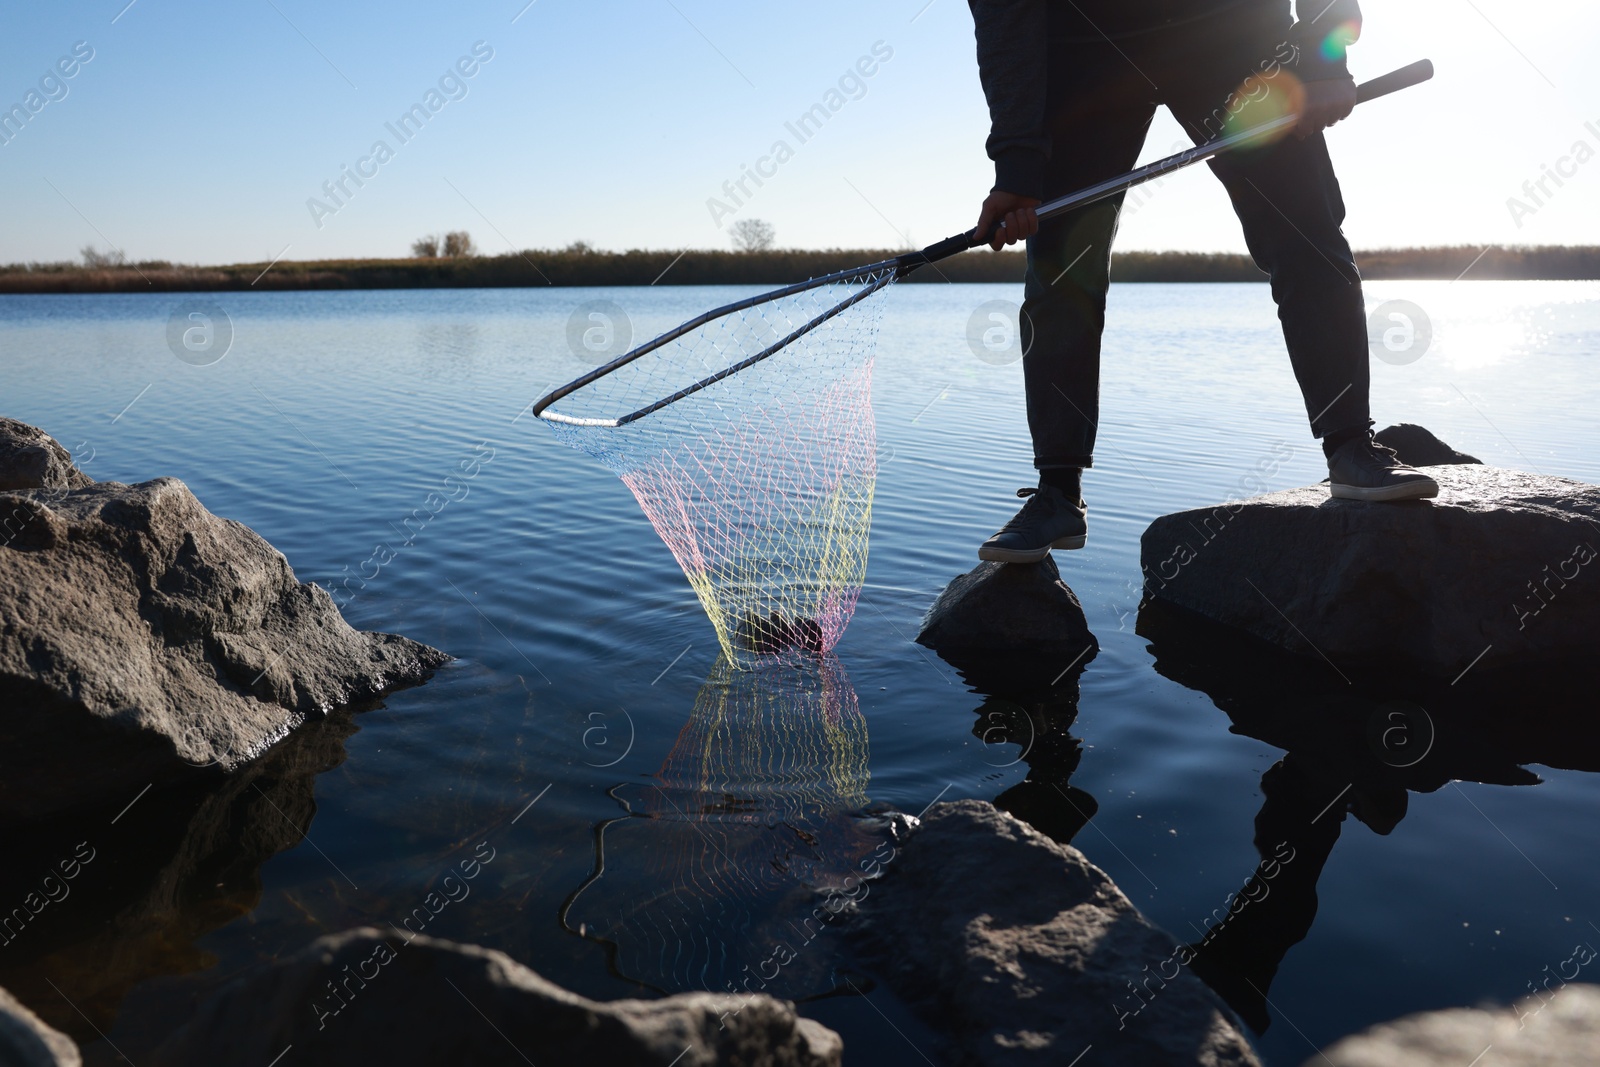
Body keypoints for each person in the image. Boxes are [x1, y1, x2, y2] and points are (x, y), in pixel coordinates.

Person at [968, 0, 1439, 564]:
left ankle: (1351, 449)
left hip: (1234, 31)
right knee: (1061, 272)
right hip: (1088, 50)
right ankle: (1057, 492)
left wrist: (1323, 52)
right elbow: (1006, 14)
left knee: (1305, 233)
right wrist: (1018, 163)